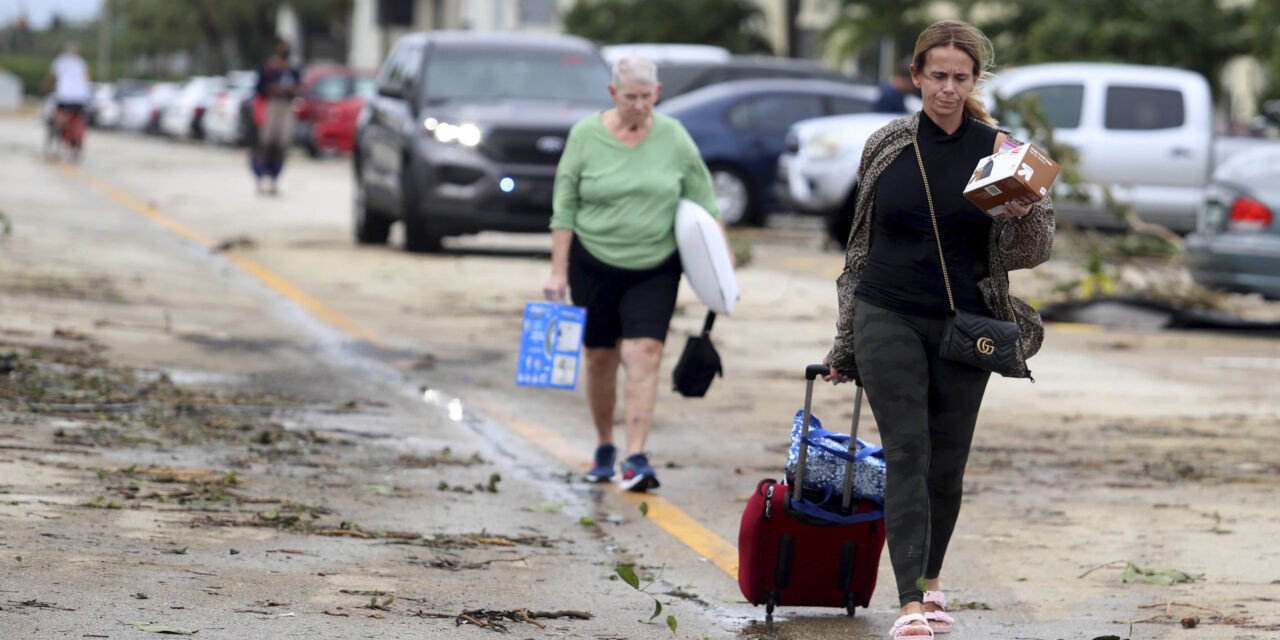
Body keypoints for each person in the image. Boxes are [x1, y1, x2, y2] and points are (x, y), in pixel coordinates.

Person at [821, 20, 1054, 639]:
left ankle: (929, 582)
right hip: (885, 312)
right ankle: (908, 605)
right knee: (907, 451)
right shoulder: (887, 144)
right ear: (917, 76)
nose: (948, 88)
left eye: (960, 77)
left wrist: (1021, 213)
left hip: (966, 324)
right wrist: (845, 342)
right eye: (937, 76)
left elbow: (1032, 252)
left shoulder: (1004, 152)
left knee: (946, 464)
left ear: (975, 81)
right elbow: (859, 249)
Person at [544, 56, 721, 492]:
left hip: (655, 265)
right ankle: (605, 446)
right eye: (630, 97)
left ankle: (636, 454)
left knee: (644, 352)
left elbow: (705, 202)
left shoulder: (674, 137)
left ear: (657, 93)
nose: (640, 105)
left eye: (647, 96)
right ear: (612, 94)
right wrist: (558, 271)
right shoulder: (585, 136)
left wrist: (722, 269)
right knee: (600, 357)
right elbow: (564, 207)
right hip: (592, 262)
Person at [251, 38, 301, 195]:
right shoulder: (268, 67)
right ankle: (260, 177)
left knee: (282, 143)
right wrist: (272, 89)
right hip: (271, 106)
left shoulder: (293, 68)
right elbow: (259, 88)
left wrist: (291, 90)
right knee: (266, 142)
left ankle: (274, 179)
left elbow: (300, 87)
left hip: (286, 106)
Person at [41, 41, 91, 159]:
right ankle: (76, 145)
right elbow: (86, 78)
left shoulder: (60, 60)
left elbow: (51, 77)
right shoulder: (81, 62)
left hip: (64, 95)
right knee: (78, 117)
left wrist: (43, 89)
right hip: (81, 96)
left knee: (58, 118)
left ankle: (56, 139)